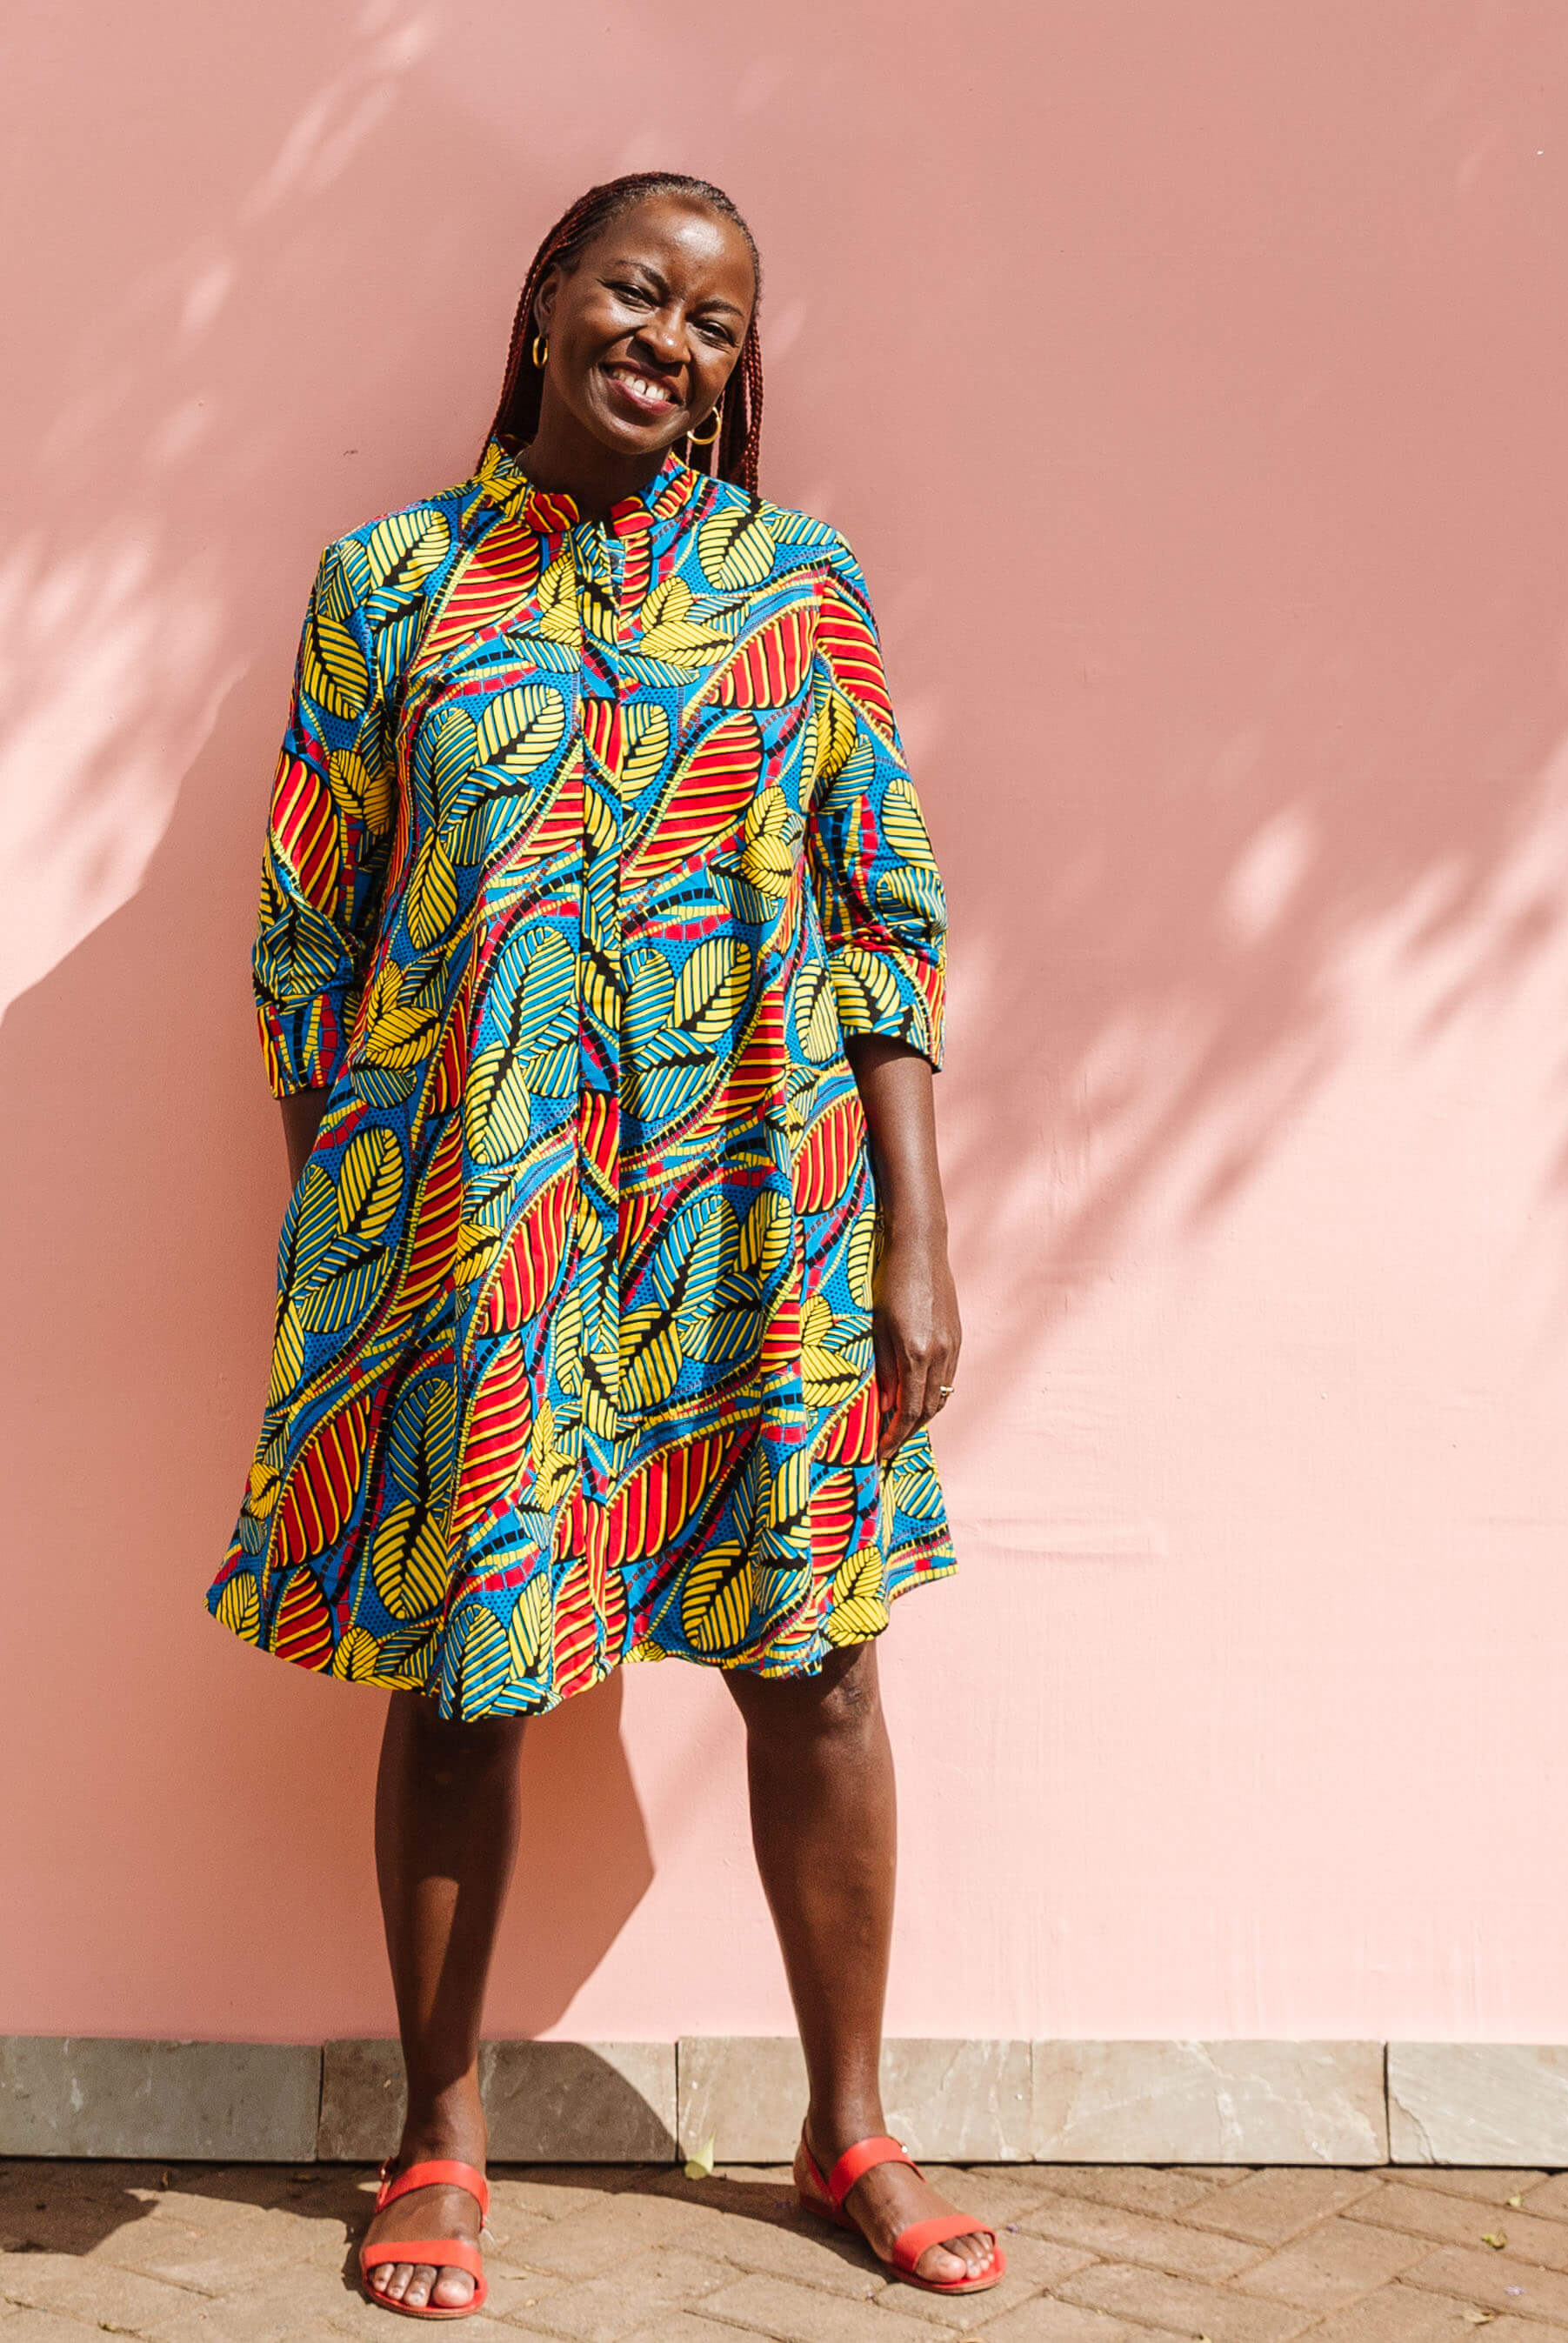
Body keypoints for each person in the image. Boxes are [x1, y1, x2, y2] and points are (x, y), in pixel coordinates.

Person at [207, 170, 1000, 2320]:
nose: (670, 339)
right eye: (638, 291)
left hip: (759, 1215)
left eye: (718, 324)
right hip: (479, 1235)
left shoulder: (796, 592)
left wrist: (914, 1246)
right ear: (551, 297)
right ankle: (438, 2139)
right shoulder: (388, 587)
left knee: (814, 1662)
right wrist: (362, 1234)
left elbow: (879, 925)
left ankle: (848, 2126)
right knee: (469, 1679)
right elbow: (307, 937)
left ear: (744, 371)